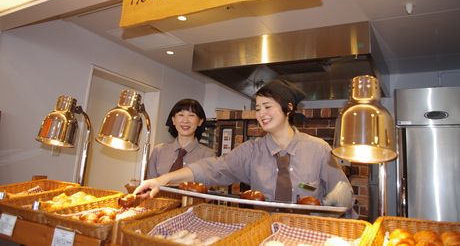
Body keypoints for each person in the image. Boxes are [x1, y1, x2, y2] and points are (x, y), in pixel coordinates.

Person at [136, 80, 354, 214]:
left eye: (267, 106)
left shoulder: (318, 149)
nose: (261, 113)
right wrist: (162, 179)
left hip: (309, 235)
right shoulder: (251, 150)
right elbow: (213, 167)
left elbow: (343, 195)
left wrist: (337, 203)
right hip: (264, 234)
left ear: (288, 108)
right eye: (257, 108)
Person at [146, 98, 215, 178]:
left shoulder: (208, 155)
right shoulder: (158, 151)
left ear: (200, 121)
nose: (185, 121)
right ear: (173, 120)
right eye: (181, 115)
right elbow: (149, 184)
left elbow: (209, 187)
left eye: (191, 115)